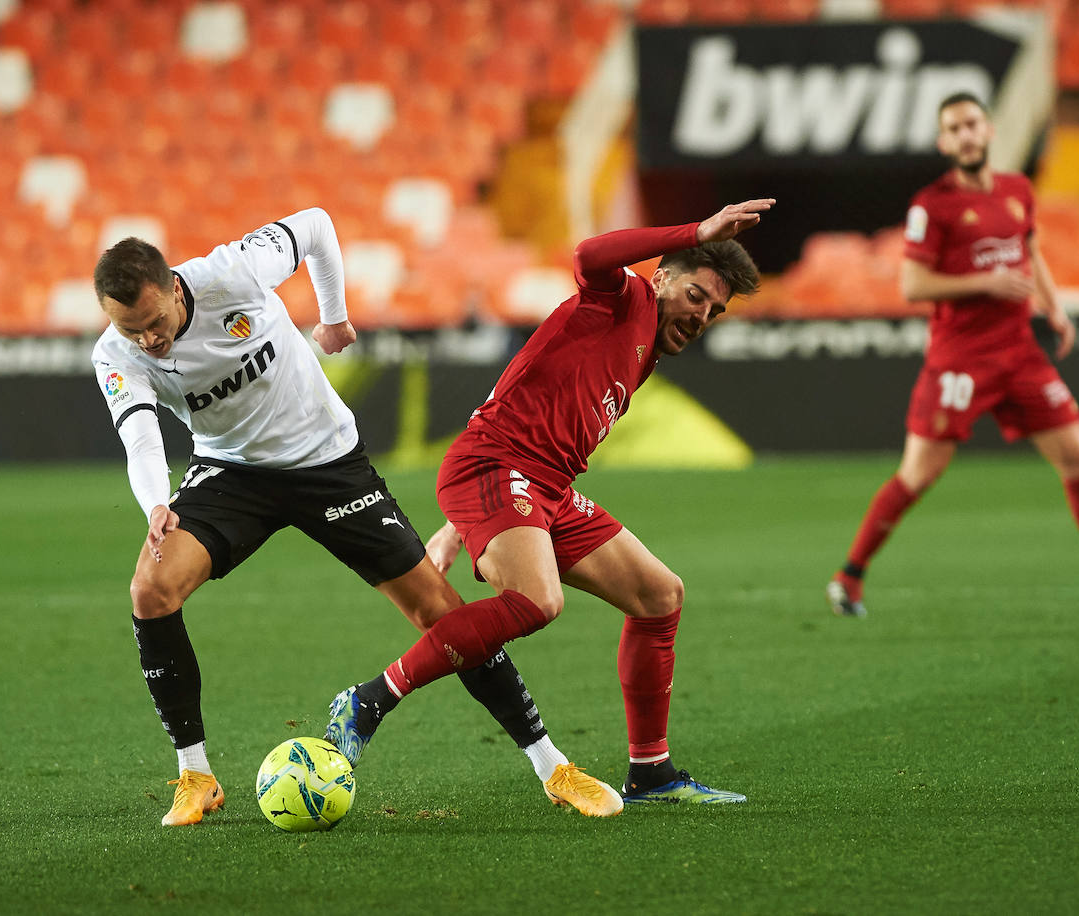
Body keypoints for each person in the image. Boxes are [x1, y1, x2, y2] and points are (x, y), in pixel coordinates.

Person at [91, 208, 620, 826]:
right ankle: (196, 774)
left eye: (154, 323)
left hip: (328, 463)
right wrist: (156, 501)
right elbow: (139, 433)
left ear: (175, 289)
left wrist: (333, 314)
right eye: (132, 332)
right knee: (150, 589)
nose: (148, 341)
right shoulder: (115, 354)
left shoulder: (232, 271)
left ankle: (552, 766)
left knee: (439, 612)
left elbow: (315, 225)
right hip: (233, 474)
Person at [325, 199, 775, 805]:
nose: (703, 316)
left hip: (544, 488)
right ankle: (368, 701)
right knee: (537, 601)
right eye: (698, 296)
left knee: (659, 596)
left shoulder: (645, 345)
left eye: (715, 311)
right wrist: (698, 230)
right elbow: (588, 254)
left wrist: (459, 530)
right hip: (499, 467)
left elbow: (526, 389)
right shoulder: (623, 299)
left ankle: (651, 772)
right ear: (663, 276)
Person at [825, 93, 1079, 618]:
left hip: (1020, 354)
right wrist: (984, 280)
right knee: (919, 473)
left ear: (989, 130)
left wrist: (1054, 309)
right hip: (959, 360)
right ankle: (849, 577)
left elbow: (1029, 250)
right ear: (945, 142)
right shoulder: (932, 205)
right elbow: (913, 283)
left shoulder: (1017, 190)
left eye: (972, 124)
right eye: (954, 128)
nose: (966, 135)